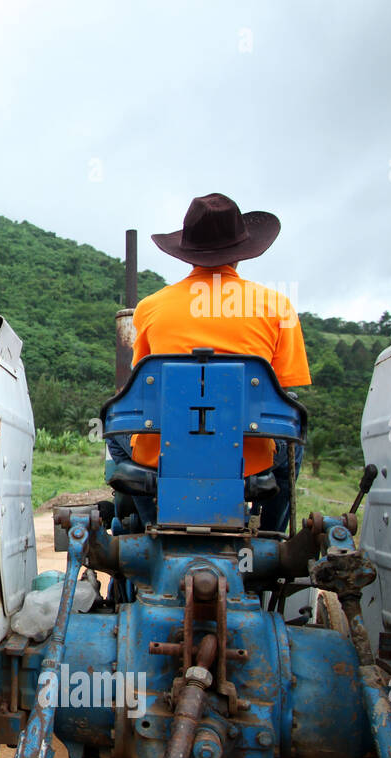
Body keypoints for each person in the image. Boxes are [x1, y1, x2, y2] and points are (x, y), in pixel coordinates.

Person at [110, 193, 311, 531]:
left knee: (115, 433)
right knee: (295, 426)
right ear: (241, 251)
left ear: (188, 253)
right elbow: (285, 393)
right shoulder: (277, 305)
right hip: (251, 456)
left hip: (160, 450)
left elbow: (142, 385)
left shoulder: (150, 307)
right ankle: (273, 535)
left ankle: (150, 526)